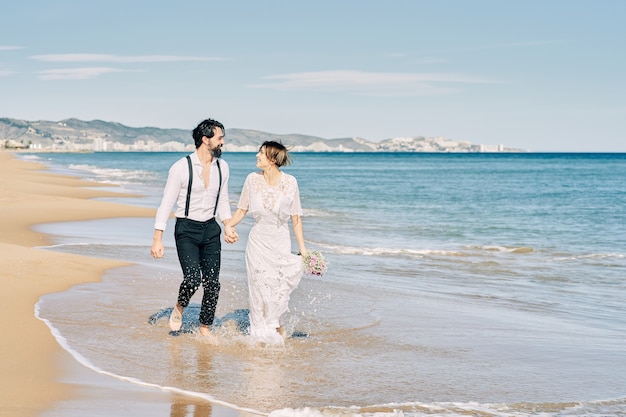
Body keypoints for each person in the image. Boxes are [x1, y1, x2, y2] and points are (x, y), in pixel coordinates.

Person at [151, 118, 237, 343]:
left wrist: (228, 225)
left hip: (211, 229)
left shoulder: (223, 167)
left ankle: (205, 328)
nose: (223, 143)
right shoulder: (181, 167)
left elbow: (224, 200)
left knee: (213, 283)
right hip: (186, 229)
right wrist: (157, 238)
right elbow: (166, 203)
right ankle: (179, 307)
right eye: (220, 138)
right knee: (192, 279)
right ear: (205, 139)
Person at [226, 141, 307, 346]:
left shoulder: (291, 183)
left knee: (276, 287)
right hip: (257, 242)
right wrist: (229, 226)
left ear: (272, 159)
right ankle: (258, 333)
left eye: (261, 153)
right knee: (258, 287)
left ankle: (274, 326)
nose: (257, 156)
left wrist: (303, 251)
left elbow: (296, 219)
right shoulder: (252, 180)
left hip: (280, 241)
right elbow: (242, 210)